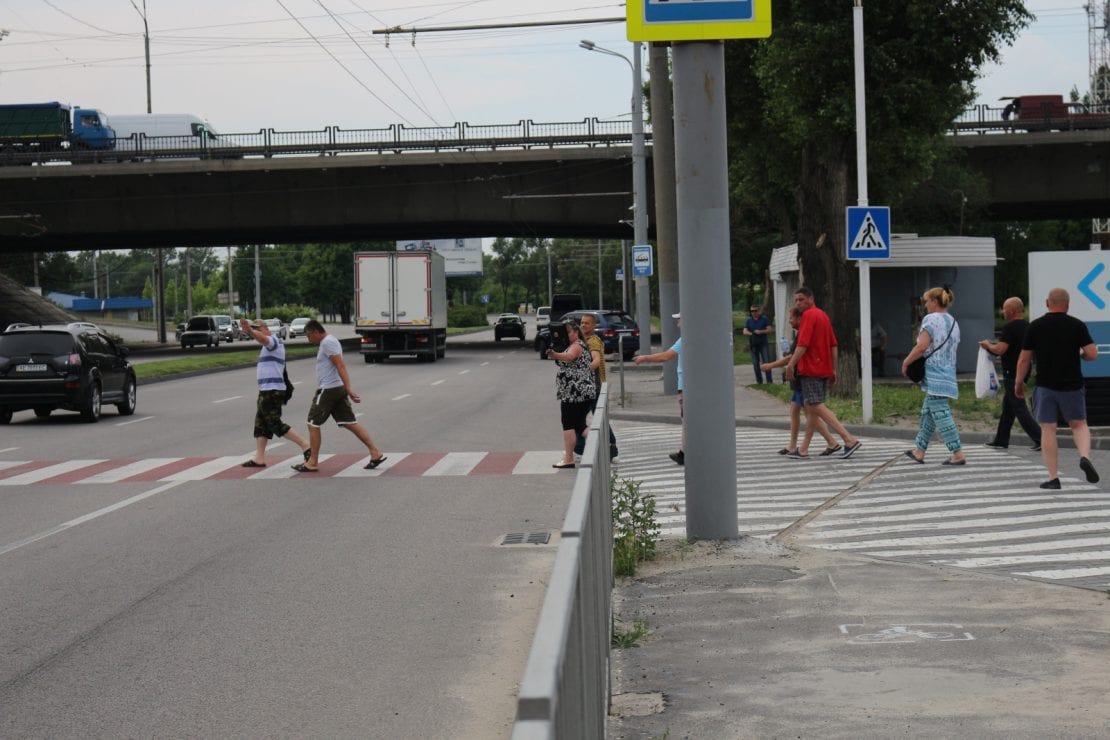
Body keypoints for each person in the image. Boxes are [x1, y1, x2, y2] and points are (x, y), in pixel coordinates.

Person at [1016, 288, 1099, 490]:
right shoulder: (1077, 325)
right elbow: (1092, 353)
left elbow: (1025, 358)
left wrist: (1019, 383)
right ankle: (1085, 456)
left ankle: (1053, 478)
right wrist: (1081, 355)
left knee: (1048, 428)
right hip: (1072, 385)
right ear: (1067, 305)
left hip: (1045, 385)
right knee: (1079, 424)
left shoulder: (1035, 326)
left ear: (1047, 303)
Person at [292, 320, 386, 473]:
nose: (309, 340)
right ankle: (375, 452)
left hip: (329, 389)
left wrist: (349, 388)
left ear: (316, 332)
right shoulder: (330, 341)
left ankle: (312, 461)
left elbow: (340, 365)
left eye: (309, 336)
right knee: (349, 422)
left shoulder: (327, 343)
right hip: (336, 388)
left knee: (312, 423)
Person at [784, 287, 861, 459]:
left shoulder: (809, 316)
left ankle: (848, 439)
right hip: (822, 368)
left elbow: (802, 344)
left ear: (811, 298)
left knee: (815, 405)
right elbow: (833, 344)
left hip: (811, 368)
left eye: (801, 299)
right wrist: (833, 369)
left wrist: (791, 364)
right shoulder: (823, 315)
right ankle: (803, 449)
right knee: (811, 408)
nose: (798, 303)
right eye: (796, 300)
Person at [760, 307, 838, 457]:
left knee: (812, 411)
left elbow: (793, 357)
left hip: (805, 376)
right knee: (800, 410)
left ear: (800, 318)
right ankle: (822, 443)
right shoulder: (799, 334)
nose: (789, 321)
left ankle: (839, 440)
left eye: (791, 318)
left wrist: (771, 365)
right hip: (801, 378)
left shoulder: (804, 333)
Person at [901, 286, 966, 466]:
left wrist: (906, 362)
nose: (926, 304)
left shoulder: (931, 319)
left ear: (935, 302)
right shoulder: (953, 321)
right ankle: (919, 451)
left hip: (934, 372)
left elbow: (922, 346)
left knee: (942, 414)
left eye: (927, 301)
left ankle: (958, 453)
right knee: (928, 412)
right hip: (948, 373)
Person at [239, 318, 311, 468]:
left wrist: (251, 331)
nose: (255, 331)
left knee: (274, 423)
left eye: (257, 328)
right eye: (253, 328)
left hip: (272, 391)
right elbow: (261, 339)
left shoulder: (273, 341)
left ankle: (306, 445)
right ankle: (259, 458)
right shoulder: (266, 345)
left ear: (265, 329)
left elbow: (264, 339)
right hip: (266, 390)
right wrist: (251, 332)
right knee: (261, 425)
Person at [978, 297, 1041, 451]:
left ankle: (1041, 438)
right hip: (1025, 370)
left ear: (1012, 311)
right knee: (1008, 407)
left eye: (1004, 308)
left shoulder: (1009, 328)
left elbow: (1000, 350)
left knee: (1019, 406)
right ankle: (1001, 439)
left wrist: (987, 345)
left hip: (1012, 371)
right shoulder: (1029, 326)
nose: (1002, 311)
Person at [634, 313, 685, 465]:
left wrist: (645, 358)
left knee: (687, 421)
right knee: (688, 421)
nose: (677, 324)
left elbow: (666, 356)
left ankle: (684, 453)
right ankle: (684, 452)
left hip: (685, 387)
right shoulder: (697, 338)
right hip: (690, 386)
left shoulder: (685, 340)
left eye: (679, 320)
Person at [547, 319, 597, 469]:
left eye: (569, 332)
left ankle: (569, 458)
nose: (566, 335)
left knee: (568, 424)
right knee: (579, 425)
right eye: (565, 332)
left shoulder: (576, 346)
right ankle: (601, 444)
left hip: (575, 393)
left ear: (576, 333)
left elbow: (569, 357)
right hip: (579, 392)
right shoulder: (573, 345)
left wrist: (554, 354)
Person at [573, 312, 618, 462]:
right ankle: (607, 446)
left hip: (592, 387)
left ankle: (582, 448)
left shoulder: (592, 341)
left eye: (587, 323)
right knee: (587, 417)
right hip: (591, 386)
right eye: (582, 323)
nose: (583, 325)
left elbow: (596, 360)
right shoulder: (588, 340)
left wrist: (582, 372)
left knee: (582, 418)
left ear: (593, 326)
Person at [743, 304, 772, 383]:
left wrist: (760, 332)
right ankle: (759, 382)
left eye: (755, 311)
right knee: (756, 364)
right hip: (753, 345)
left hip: (763, 344)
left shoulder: (764, 319)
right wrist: (752, 334)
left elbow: (769, 330)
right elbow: (744, 331)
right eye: (752, 311)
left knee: (766, 362)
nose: (753, 312)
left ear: (759, 311)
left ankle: (769, 381)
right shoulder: (748, 320)